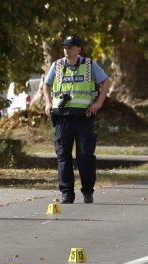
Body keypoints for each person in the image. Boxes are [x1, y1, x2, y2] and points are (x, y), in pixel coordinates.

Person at [43, 35, 112, 204]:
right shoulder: (57, 65)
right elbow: (46, 84)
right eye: (65, 47)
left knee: (85, 156)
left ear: (78, 49)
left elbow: (107, 82)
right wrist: (48, 103)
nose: (66, 49)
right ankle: (67, 193)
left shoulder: (89, 65)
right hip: (62, 117)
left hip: (84, 117)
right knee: (63, 156)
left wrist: (98, 103)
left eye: (70, 47)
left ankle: (88, 191)